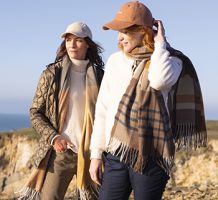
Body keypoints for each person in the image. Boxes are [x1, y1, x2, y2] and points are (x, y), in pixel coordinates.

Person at [89, 1, 207, 200]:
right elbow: (103, 109)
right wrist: (95, 154)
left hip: (151, 155)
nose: (119, 38)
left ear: (142, 31)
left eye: (125, 31)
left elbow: (159, 80)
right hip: (115, 151)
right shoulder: (115, 61)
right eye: (118, 32)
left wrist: (160, 44)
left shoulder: (170, 60)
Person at [19, 22, 104, 200]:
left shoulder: (100, 76)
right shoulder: (51, 74)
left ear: (88, 44)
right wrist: (53, 137)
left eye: (78, 40)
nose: (72, 44)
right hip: (60, 153)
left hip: (92, 153)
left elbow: (107, 114)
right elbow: (35, 112)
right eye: (68, 39)